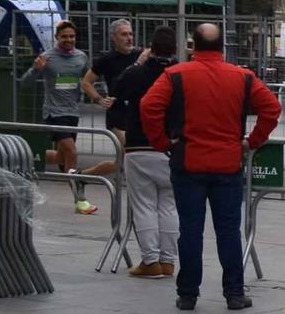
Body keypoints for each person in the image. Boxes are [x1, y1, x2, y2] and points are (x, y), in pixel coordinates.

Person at [140, 23, 282, 311]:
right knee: (228, 230)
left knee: (190, 229)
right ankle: (234, 293)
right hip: (228, 164)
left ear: (194, 45)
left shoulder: (175, 75)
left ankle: (188, 294)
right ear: (222, 47)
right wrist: (251, 142)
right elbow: (272, 108)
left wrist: (162, 141)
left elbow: (147, 106)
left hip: (188, 162)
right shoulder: (243, 77)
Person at [109, 25, 179, 278]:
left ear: (151, 47)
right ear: (175, 48)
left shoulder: (137, 73)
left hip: (139, 145)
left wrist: (138, 63)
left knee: (144, 205)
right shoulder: (181, 73)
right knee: (170, 206)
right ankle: (169, 261)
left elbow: (115, 91)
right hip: (172, 147)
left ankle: (150, 261)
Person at [24, 20, 98, 215]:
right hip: (54, 113)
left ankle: (25, 157)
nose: (68, 40)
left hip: (72, 112)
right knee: (72, 152)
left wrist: (100, 95)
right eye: (64, 36)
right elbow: (25, 82)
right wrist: (36, 70)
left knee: (61, 157)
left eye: (72, 36)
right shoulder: (47, 57)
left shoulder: (81, 57)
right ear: (57, 38)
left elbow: (89, 80)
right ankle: (79, 199)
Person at [82, 19, 142, 193]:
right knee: (130, 150)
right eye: (124, 34)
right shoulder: (107, 60)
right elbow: (86, 83)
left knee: (122, 160)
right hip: (117, 113)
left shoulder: (140, 56)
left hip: (135, 112)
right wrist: (99, 99)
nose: (129, 38)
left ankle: (82, 176)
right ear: (113, 37)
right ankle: (136, 188)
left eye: (130, 34)